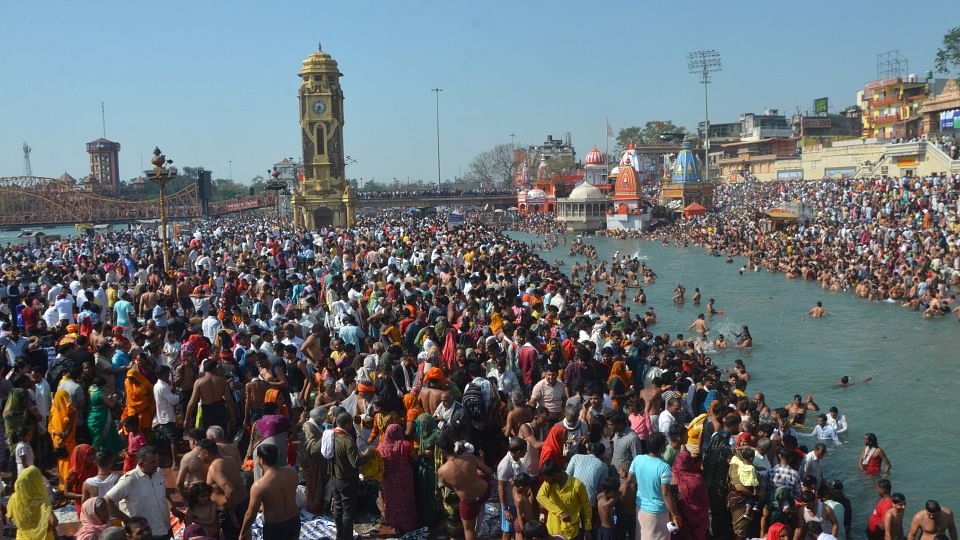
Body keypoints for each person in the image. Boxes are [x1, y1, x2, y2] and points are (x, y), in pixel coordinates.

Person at [105, 446, 183, 540]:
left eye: (157, 461)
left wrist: (172, 507)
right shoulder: (130, 480)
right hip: (146, 534)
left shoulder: (158, 472)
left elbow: (163, 491)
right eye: (153, 462)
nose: (157, 464)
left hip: (165, 527)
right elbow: (107, 500)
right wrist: (129, 521)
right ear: (141, 464)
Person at [437, 429, 495, 540]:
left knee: (468, 530)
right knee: (479, 508)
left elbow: (450, 487)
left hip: (469, 501)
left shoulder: (442, 471)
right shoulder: (469, 457)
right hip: (484, 492)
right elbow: (489, 471)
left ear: (442, 451)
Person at [626, 432, 681, 540]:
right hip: (658, 512)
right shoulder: (664, 467)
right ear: (661, 447)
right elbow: (666, 493)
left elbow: (630, 480)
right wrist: (674, 514)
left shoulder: (638, 459)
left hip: (640, 508)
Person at [240, 443, 301, 540]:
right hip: (294, 520)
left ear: (261, 460)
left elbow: (251, 514)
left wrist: (242, 532)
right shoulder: (292, 472)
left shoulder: (259, 485)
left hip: (275, 526)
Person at [330, 411, 374, 540]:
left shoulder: (330, 436)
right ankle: (347, 537)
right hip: (347, 479)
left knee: (338, 509)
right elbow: (355, 462)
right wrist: (368, 454)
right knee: (348, 512)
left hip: (334, 477)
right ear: (348, 424)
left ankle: (339, 535)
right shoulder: (347, 440)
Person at [199, 438, 246, 540]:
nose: (198, 456)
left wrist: (231, 513)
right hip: (241, 504)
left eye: (199, 453)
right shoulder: (229, 459)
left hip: (231, 509)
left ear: (206, 453)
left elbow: (230, 490)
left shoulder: (215, 467)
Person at [537, 458, 592, 540]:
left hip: (571, 532)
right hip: (553, 530)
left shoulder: (577, 485)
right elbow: (540, 497)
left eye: (547, 479)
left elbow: (586, 507)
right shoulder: (549, 483)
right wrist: (560, 512)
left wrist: (587, 529)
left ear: (555, 474)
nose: (546, 481)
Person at [378, 423, 419, 533]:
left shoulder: (380, 447)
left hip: (388, 479)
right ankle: (408, 524)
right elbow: (415, 458)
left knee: (391, 502)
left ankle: (394, 525)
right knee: (406, 500)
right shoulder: (406, 444)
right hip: (404, 478)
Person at [7, 465, 57, 540]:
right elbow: (54, 522)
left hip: (22, 537)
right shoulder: (41, 500)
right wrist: (40, 531)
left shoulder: (13, 499)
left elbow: (9, 518)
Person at [671, 447, 709, 540]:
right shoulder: (697, 479)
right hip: (698, 517)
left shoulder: (671, 476)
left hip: (681, 515)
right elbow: (704, 498)